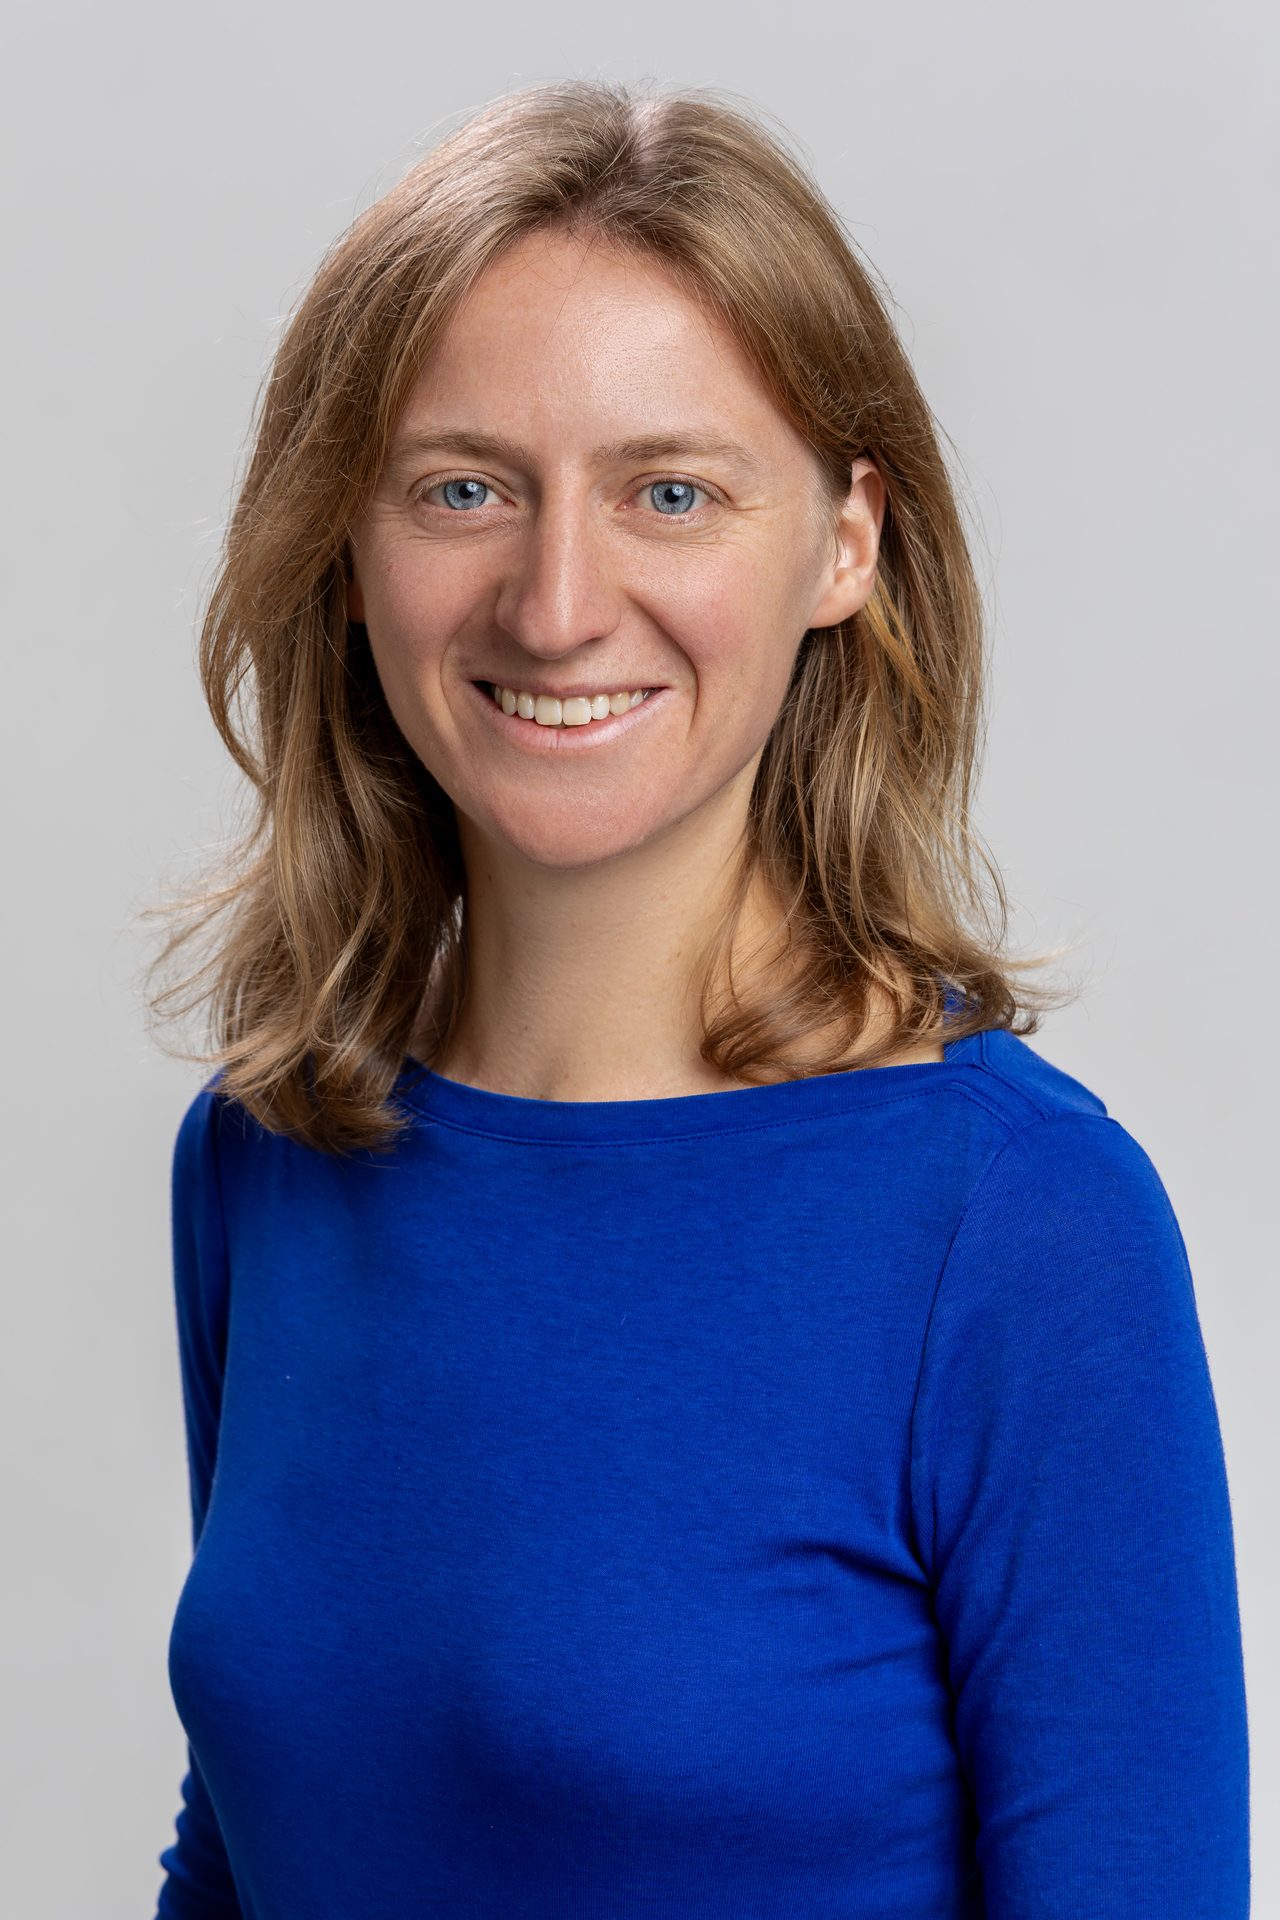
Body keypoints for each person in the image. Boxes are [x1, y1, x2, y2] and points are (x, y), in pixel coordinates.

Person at [143, 79, 1250, 1919]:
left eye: (670, 490)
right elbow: (257, 1847)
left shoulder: (1021, 1231)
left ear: (844, 541)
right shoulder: (267, 1157)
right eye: (464, 488)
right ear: (348, 548)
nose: (558, 602)